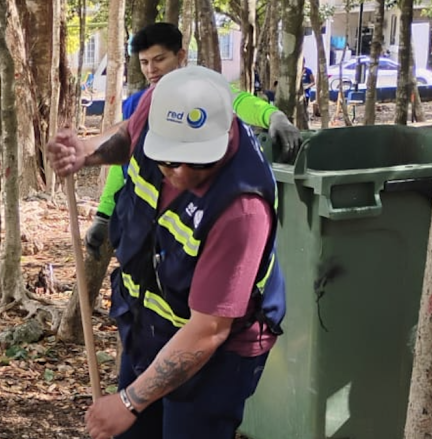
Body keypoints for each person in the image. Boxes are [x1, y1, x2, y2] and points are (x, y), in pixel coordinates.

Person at [50, 66, 286, 439]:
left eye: (190, 164)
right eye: (166, 158)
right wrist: (88, 152)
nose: (175, 172)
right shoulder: (162, 103)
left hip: (218, 350)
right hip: (148, 319)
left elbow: (208, 330)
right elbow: (129, 138)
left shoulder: (242, 207)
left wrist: (129, 401)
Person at [81, 23, 301, 261]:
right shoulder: (136, 105)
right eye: (144, 62)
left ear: (181, 56)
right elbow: (124, 165)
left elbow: (238, 100)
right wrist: (103, 215)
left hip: (193, 217)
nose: (151, 70)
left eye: (159, 59)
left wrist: (274, 117)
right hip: (144, 223)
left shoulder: (202, 92)